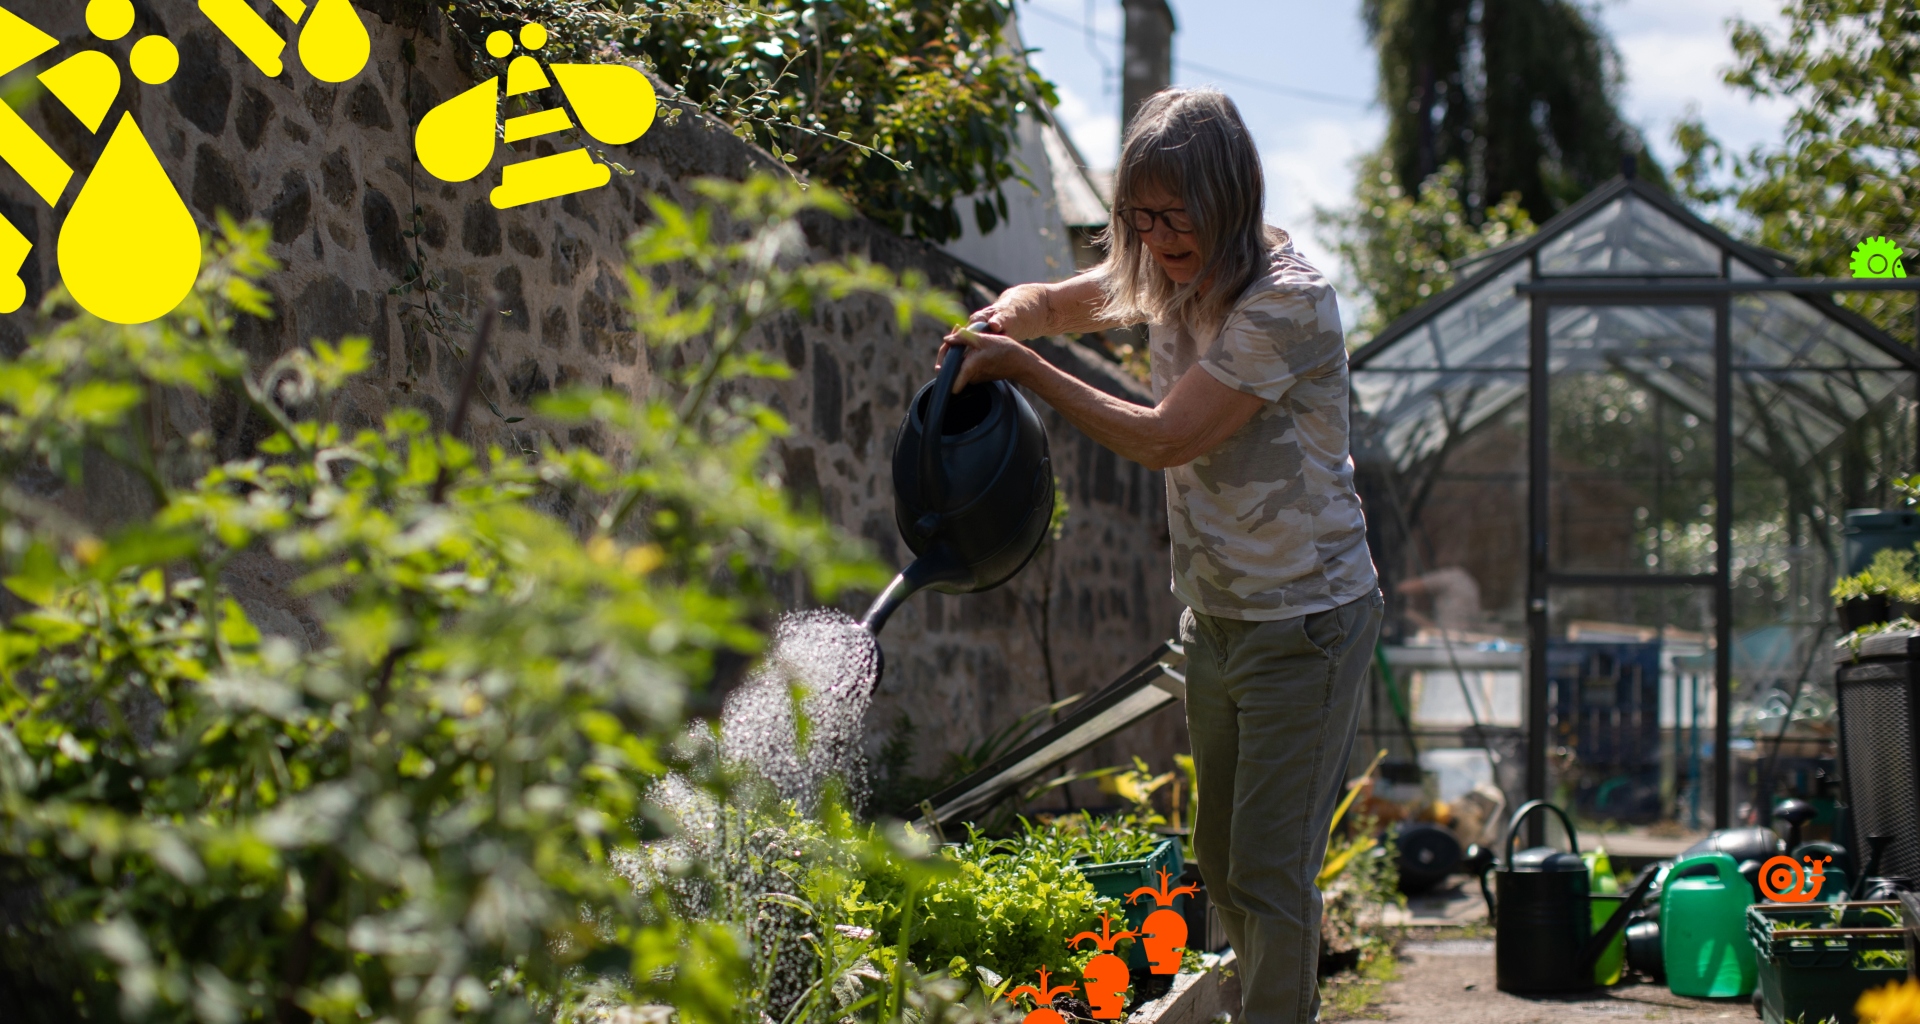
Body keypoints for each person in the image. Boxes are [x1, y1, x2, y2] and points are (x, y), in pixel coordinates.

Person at [938, 87, 1382, 1024]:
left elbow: (1165, 438)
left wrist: (1022, 368)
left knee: (1268, 871)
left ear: (1228, 201)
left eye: (1174, 216)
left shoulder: (1287, 303)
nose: (1156, 237)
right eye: (1138, 217)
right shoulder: (1167, 268)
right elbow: (1068, 297)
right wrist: (1008, 317)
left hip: (1307, 623)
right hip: (1220, 619)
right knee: (1220, 864)